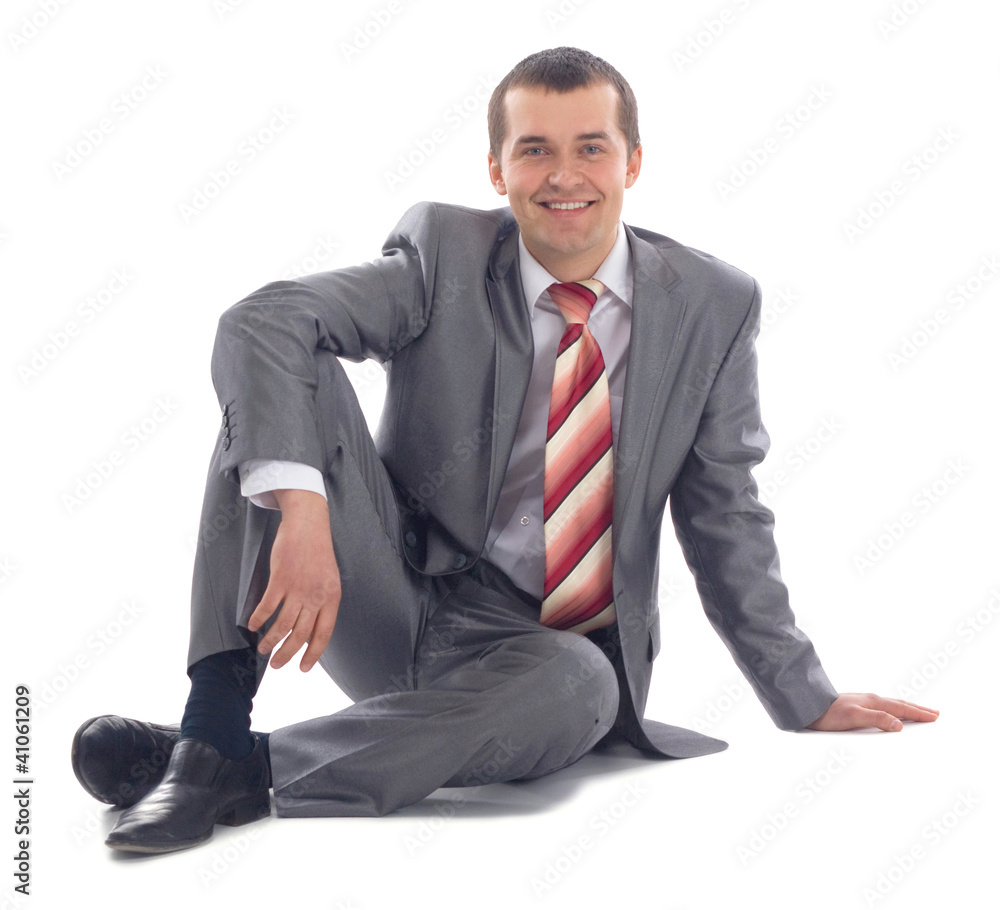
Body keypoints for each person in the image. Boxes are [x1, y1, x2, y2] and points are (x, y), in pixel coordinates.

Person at [71, 46, 938, 854]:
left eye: (591, 148)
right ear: (497, 170)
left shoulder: (713, 304)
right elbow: (263, 323)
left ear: (633, 162)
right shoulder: (444, 256)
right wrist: (301, 511)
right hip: (392, 600)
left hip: (543, 662)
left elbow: (726, 513)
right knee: (278, 393)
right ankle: (213, 721)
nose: (564, 175)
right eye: (534, 151)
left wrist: (803, 692)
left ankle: (229, 764)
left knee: (582, 683)